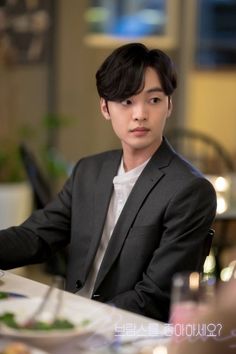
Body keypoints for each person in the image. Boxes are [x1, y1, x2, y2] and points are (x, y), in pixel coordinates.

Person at [0, 43, 216, 322]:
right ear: (105, 107)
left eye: (154, 100)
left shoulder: (189, 191)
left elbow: (154, 296)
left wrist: (77, 317)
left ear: (169, 105)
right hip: (71, 320)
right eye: (127, 101)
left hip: (126, 332)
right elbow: (36, 236)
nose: (140, 114)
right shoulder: (89, 171)